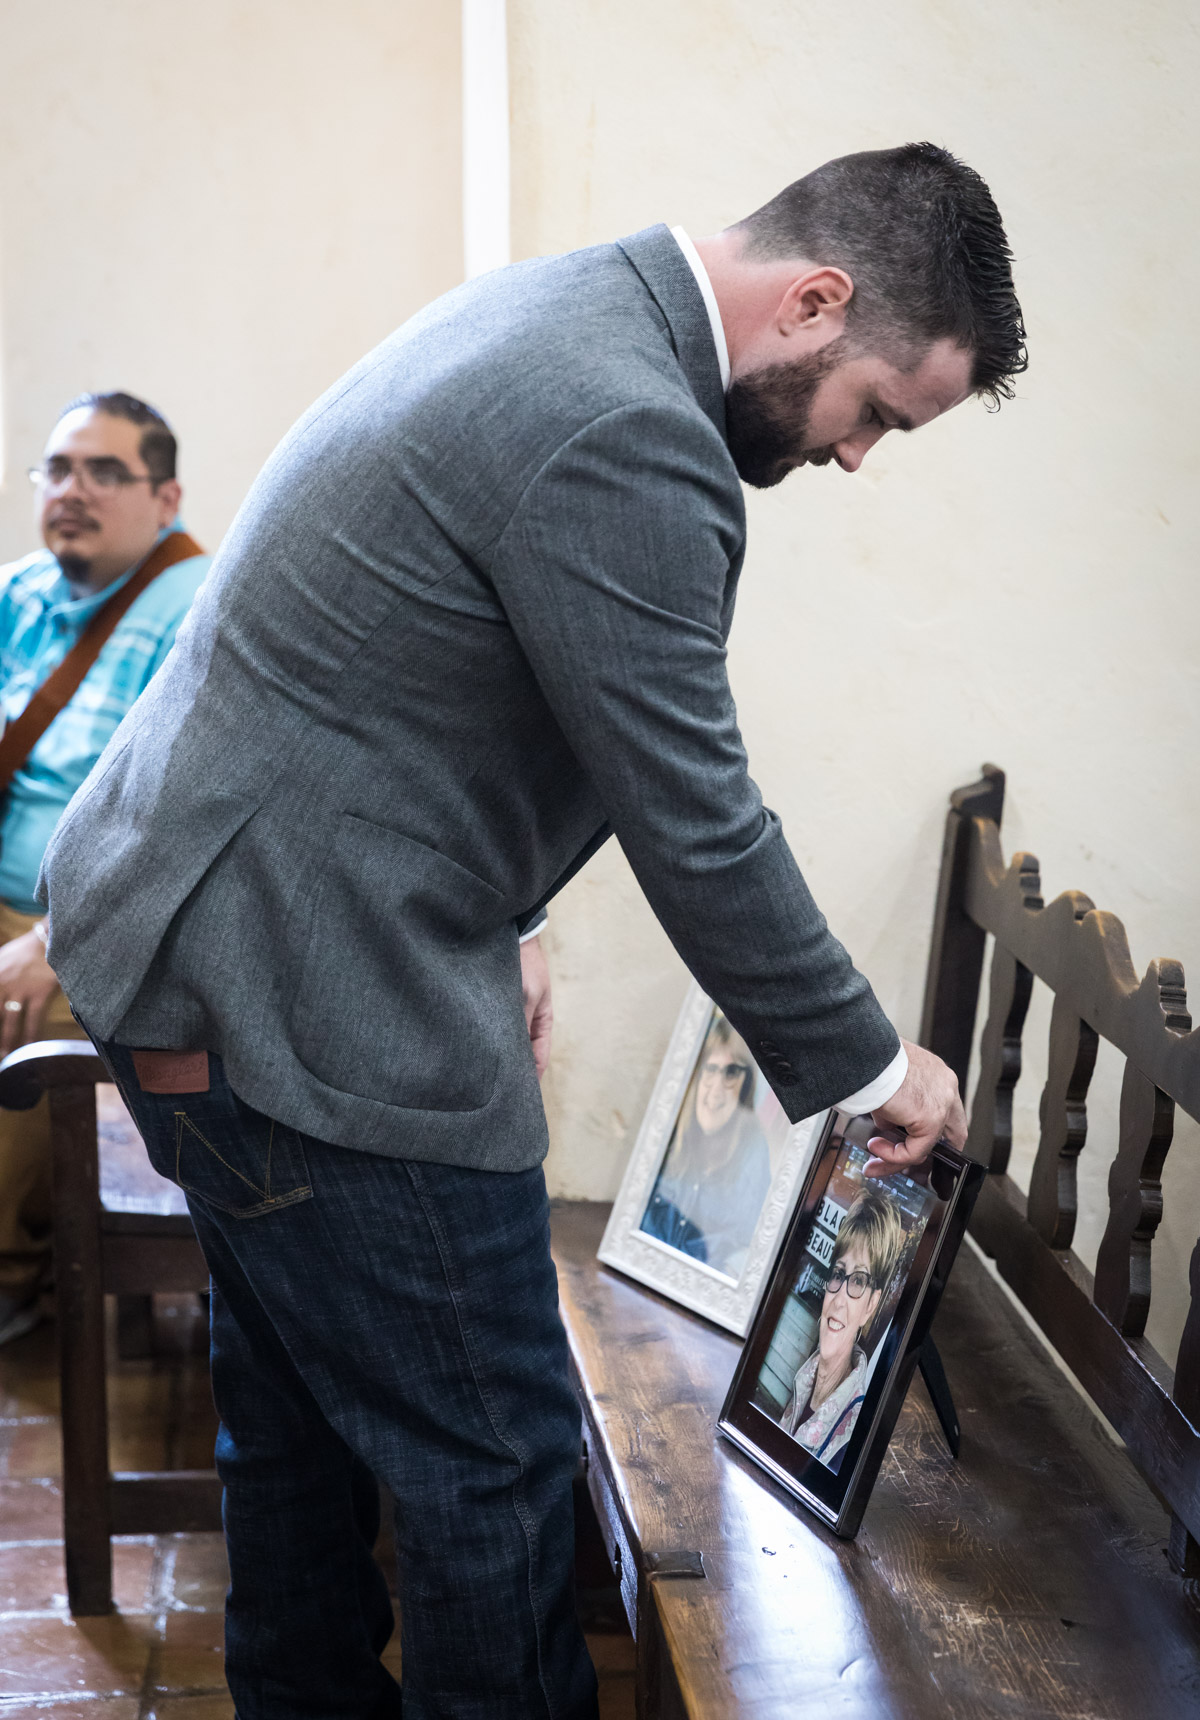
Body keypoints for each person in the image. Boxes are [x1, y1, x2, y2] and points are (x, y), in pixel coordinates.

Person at [41, 143, 1024, 1719]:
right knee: (492, 1465)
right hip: (290, 979)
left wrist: (514, 911)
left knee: (292, 1440)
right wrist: (863, 1067)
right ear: (817, 302)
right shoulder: (627, 425)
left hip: (199, 940)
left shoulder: (578, 317)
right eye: (875, 416)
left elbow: (442, 676)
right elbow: (694, 808)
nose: (857, 461)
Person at [0, 392, 208, 1347]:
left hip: (101, 926)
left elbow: (167, 821)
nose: (72, 490)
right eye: (57, 469)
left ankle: (13, 1271)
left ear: (164, 497)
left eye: (104, 472)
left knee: (17, 1014)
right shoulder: (19, 593)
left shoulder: (198, 607)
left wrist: (55, 939)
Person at [782, 1185, 906, 1468]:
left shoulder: (853, 1436)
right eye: (839, 1274)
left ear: (871, 1307)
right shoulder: (805, 1378)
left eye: (859, 1281)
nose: (838, 1300)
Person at [641, 1014, 771, 1276]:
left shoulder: (754, 1150)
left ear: (746, 1085)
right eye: (710, 1069)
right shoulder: (667, 1131)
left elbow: (745, 1253)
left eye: (732, 1072)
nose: (716, 1088)